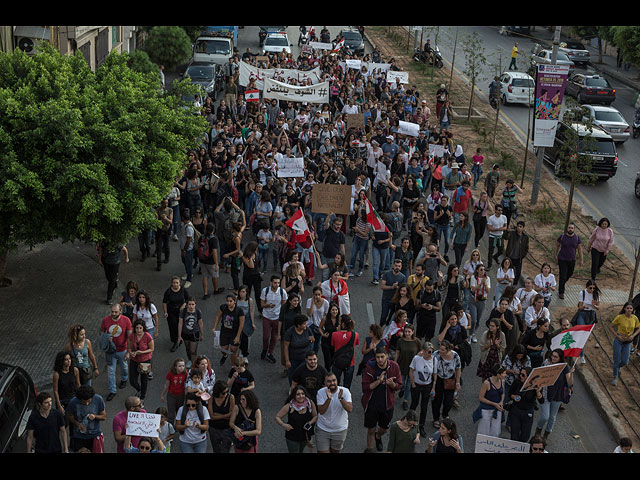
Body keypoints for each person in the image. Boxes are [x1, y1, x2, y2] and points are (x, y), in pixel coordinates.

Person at [361, 346, 403, 453]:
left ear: (387, 356)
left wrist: (392, 384)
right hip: (372, 404)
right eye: (378, 357)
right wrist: (378, 381)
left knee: (384, 428)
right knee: (371, 429)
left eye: (382, 357)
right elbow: (366, 387)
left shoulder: (394, 367)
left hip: (387, 404)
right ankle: (370, 450)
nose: (380, 359)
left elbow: (399, 385)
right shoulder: (370, 367)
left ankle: (378, 436)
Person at [535, 348, 574, 440]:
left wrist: (571, 374)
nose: (553, 358)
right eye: (552, 355)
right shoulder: (546, 363)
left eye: (556, 357)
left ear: (560, 358)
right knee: (545, 416)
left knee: (552, 417)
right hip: (545, 393)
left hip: (557, 395)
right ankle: (538, 430)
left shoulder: (564, 367)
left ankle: (546, 434)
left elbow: (570, 382)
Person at [99, 304, 132, 401]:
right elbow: (101, 332)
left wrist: (128, 351)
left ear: (120, 311)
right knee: (110, 371)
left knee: (124, 366)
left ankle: (124, 378)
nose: (113, 314)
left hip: (122, 349)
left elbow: (129, 337)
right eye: (112, 312)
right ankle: (112, 390)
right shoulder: (106, 320)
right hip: (110, 350)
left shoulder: (126, 320)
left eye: (116, 312)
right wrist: (105, 337)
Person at [316, 372, 353, 453]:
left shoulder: (345, 391)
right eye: (329, 381)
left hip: (339, 430)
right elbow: (321, 411)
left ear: (337, 381)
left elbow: (350, 409)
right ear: (325, 383)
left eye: (334, 380)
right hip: (323, 429)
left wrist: (341, 399)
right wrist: (328, 399)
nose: (332, 383)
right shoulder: (320, 392)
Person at [274, 385, 318, 454]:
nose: (301, 396)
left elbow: (315, 416)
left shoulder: (310, 403)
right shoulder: (290, 405)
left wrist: (310, 423)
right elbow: (277, 417)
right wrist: (283, 424)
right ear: (294, 396)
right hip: (293, 437)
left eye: (302, 394)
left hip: (306, 436)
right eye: (298, 394)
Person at [65, 385, 107, 453]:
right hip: (79, 437)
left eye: (89, 401)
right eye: (84, 402)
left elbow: (104, 417)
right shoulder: (73, 402)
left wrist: (95, 416)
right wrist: (77, 424)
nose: (87, 404)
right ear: (79, 399)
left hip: (94, 435)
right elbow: (69, 416)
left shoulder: (98, 399)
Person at [431, 340, 462, 428]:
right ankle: (436, 418)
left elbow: (458, 368)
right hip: (439, 379)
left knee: (448, 401)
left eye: (443, 350)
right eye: (440, 348)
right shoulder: (436, 355)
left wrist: (458, 382)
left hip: (450, 380)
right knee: (437, 400)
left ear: (448, 350)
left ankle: (445, 414)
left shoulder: (455, 356)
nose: (440, 351)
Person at [507, 366, 542, 443]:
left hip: (527, 413)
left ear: (529, 376)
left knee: (525, 436)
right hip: (516, 411)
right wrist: (513, 396)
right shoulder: (517, 382)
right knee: (514, 435)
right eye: (520, 374)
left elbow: (541, 401)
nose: (520, 376)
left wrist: (538, 392)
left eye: (523, 375)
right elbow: (510, 393)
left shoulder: (535, 386)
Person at [409, 341, 436, 437]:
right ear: (423, 351)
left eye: (432, 351)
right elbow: (411, 371)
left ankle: (421, 426)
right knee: (414, 404)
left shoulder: (433, 359)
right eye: (429, 352)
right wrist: (412, 383)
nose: (431, 354)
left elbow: (434, 374)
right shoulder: (417, 358)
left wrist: (433, 387)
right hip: (416, 385)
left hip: (427, 386)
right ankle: (410, 421)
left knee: (424, 407)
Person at [610, 302, 640, 386]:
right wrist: (617, 335)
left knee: (625, 361)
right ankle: (615, 377)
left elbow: (638, 328)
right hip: (618, 341)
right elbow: (611, 326)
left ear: (633, 309)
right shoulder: (619, 317)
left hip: (627, 342)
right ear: (624, 309)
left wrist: (633, 335)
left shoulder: (635, 318)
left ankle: (617, 367)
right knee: (616, 359)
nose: (629, 310)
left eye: (631, 308)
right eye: (627, 308)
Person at [261, 275, 288, 363]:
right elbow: (262, 304)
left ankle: (270, 353)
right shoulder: (265, 291)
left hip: (277, 317)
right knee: (266, 337)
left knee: (274, 337)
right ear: (271, 283)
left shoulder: (282, 291)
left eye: (278, 283)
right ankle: (265, 348)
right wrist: (268, 305)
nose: (276, 285)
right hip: (266, 317)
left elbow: (284, 304)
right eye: (275, 283)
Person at [394, 323, 421, 411]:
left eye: (409, 332)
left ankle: (405, 401)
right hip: (402, 365)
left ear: (413, 332)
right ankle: (402, 390)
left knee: (409, 385)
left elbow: (421, 353)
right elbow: (397, 352)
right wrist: (394, 363)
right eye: (406, 331)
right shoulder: (400, 341)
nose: (407, 333)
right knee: (402, 384)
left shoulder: (417, 341)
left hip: (412, 368)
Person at [213, 294, 245, 366]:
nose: (229, 303)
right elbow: (218, 316)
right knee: (223, 349)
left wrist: (238, 336)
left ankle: (233, 366)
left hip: (234, 333)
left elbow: (241, 324)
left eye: (231, 301)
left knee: (233, 350)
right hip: (224, 332)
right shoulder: (223, 307)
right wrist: (214, 327)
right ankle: (225, 355)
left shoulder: (239, 311)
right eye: (227, 301)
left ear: (235, 302)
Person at [475, 364, 507, 437]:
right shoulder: (487, 383)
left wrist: (501, 401)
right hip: (486, 409)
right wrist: (494, 404)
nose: (505, 375)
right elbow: (481, 398)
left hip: (497, 408)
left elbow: (503, 393)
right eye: (503, 373)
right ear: (498, 374)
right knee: (483, 431)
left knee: (496, 431)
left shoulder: (502, 381)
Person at [283, 313, 315, 384]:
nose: (305, 325)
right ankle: (292, 389)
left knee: (303, 375)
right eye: (304, 324)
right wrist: (287, 361)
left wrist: (311, 340)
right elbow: (285, 347)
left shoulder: (307, 330)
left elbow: (313, 339)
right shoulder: (290, 332)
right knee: (292, 375)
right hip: (293, 359)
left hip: (304, 358)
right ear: (298, 325)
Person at [128, 319, 154, 402]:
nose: (138, 330)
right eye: (137, 328)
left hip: (145, 360)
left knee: (144, 379)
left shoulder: (147, 336)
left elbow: (151, 349)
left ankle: (142, 396)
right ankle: (139, 389)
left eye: (140, 328)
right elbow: (129, 347)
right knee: (132, 380)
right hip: (134, 359)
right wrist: (130, 353)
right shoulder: (132, 336)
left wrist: (142, 352)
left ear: (143, 328)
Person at [555, 223, 584, 299]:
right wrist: (555, 255)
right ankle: (561, 292)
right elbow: (557, 246)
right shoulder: (562, 237)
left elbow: (580, 249)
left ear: (574, 229)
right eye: (569, 228)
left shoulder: (577, 238)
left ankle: (562, 284)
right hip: (562, 259)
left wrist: (581, 259)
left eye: (572, 228)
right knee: (563, 275)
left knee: (570, 273)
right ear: (567, 229)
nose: (570, 229)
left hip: (572, 259)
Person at [331, 315, 359, 390]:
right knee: (347, 385)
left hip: (337, 362)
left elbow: (333, 345)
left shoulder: (334, 334)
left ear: (343, 324)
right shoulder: (355, 335)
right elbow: (356, 344)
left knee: (335, 383)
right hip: (350, 363)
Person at [163, 276, 190, 353]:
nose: (175, 284)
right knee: (173, 325)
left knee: (180, 325)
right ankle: (176, 341)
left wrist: (184, 305)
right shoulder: (168, 292)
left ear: (179, 283)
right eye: (174, 283)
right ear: (172, 283)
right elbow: (164, 302)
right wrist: (165, 312)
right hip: (171, 311)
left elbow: (188, 299)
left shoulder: (183, 290)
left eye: (177, 283)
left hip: (181, 311)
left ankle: (180, 337)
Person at [207, 380, 235, 453]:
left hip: (227, 429)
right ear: (217, 392)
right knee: (216, 450)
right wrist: (226, 415)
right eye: (223, 393)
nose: (225, 394)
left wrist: (217, 415)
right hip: (214, 429)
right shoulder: (211, 398)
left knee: (225, 450)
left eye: (227, 391)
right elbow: (211, 417)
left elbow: (231, 415)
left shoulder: (231, 398)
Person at [178, 297, 204, 369]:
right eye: (189, 304)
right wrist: (179, 336)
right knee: (187, 348)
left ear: (195, 304)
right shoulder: (183, 312)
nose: (191, 306)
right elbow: (180, 323)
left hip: (194, 333)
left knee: (193, 351)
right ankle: (190, 360)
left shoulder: (198, 312)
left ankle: (194, 363)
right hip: (185, 333)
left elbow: (200, 323)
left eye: (193, 304)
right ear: (187, 304)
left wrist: (202, 334)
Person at [52, 351, 80, 420]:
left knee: (74, 421)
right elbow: (55, 391)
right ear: (61, 361)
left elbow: (78, 384)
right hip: (63, 400)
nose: (69, 361)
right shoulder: (57, 374)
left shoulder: (75, 370)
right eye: (66, 359)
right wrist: (59, 406)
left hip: (73, 399)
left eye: (69, 359)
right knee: (63, 422)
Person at [160, 358, 187, 425]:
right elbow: (166, 385)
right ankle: (170, 427)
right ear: (175, 367)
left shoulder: (185, 373)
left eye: (183, 366)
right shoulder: (170, 374)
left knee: (179, 412)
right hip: (171, 395)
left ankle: (179, 426)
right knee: (171, 414)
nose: (182, 368)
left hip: (181, 395)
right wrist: (162, 395)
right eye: (180, 366)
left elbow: (187, 383)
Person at [380, 259, 406, 325]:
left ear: (401, 267)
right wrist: (392, 287)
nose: (397, 267)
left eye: (399, 266)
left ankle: (387, 329)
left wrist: (397, 287)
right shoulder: (387, 274)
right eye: (396, 265)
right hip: (386, 298)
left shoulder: (402, 277)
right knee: (383, 316)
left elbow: (403, 290)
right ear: (393, 266)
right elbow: (382, 286)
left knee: (391, 317)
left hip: (395, 300)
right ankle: (380, 328)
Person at [469, 264, 491, 343]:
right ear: (477, 270)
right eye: (481, 269)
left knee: (478, 320)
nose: (483, 271)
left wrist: (484, 284)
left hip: (482, 301)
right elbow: (473, 289)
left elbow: (488, 291)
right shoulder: (473, 278)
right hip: (474, 300)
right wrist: (480, 284)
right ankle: (470, 335)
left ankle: (473, 333)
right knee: (474, 320)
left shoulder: (487, 279)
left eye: (484, 270)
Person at [200, 223, 223, 298]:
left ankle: (205, 293)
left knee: (205, 276)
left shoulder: (202, 236)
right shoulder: (213, 239)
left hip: (202, 260)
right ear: (213, 230)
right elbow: (215, 252)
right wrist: (216, 263)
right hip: (211, 261)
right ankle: (216, 289)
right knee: (214, 276)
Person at [504, 220, 529, 284]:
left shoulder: (525, 237)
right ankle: (507, 283)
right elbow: (505, 237)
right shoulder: (512, 234)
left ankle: (514, 284)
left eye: (520, 226)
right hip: (510, 257)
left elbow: (526, 247)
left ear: (523, 228)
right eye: (518, 226)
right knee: (508, 271)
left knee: (518, 273)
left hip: (518, 258)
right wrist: (507, 230)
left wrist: (523, 255)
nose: (519, 228)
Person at [486, 204, 507, 269]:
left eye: (501, 210)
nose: (500, 212)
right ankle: (489, 264)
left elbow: (505, 226)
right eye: (499, 210)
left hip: (500, 237)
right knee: (491, 251)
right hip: (493, 236)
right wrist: (497, 229)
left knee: (501, 250)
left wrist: (502, 229)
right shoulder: (491, 218)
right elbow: (489, 227)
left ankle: (495, 257)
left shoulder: (504, 217)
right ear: (496, 210)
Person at [180, 208, 195, 288]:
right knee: (184, 261)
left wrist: (185, 249)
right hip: (184, 248)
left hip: (188, 249)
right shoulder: (184, 224)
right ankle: (188, 273)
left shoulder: (189, 228)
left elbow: (189, 239)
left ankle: (189, 279)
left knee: (188, 263)